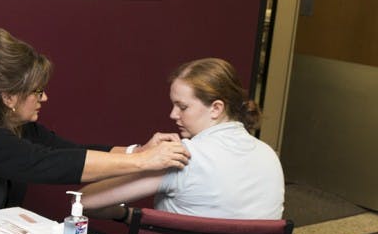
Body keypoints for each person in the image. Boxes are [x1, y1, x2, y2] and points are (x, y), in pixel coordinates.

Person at [0, 28, 191, 217]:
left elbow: (69, 151)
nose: (44, 98)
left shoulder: (13, 125)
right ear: (9, 97)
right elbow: (50, 163)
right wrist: (143, 162)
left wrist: (138, 151)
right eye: (37, 91)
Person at [79, 57, 284, 219]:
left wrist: (123, 211)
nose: (173, 114)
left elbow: (83, 202)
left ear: (216, 108)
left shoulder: (181, 156)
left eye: (182, 107)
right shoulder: (269, 155)